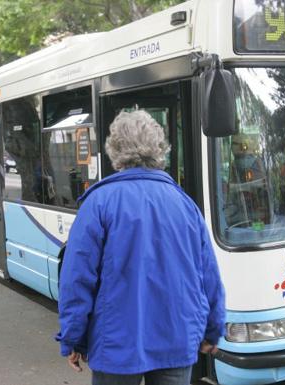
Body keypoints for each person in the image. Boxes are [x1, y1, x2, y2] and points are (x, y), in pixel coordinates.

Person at [55, 110, 225, 385]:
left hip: (116, 347)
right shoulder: (184, 204)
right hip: (176, 340)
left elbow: (76, 280)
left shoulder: (99, 203)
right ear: (159, 149)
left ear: (115, 150)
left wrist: (72, 339)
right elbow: (208, 277)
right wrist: (213, 330)